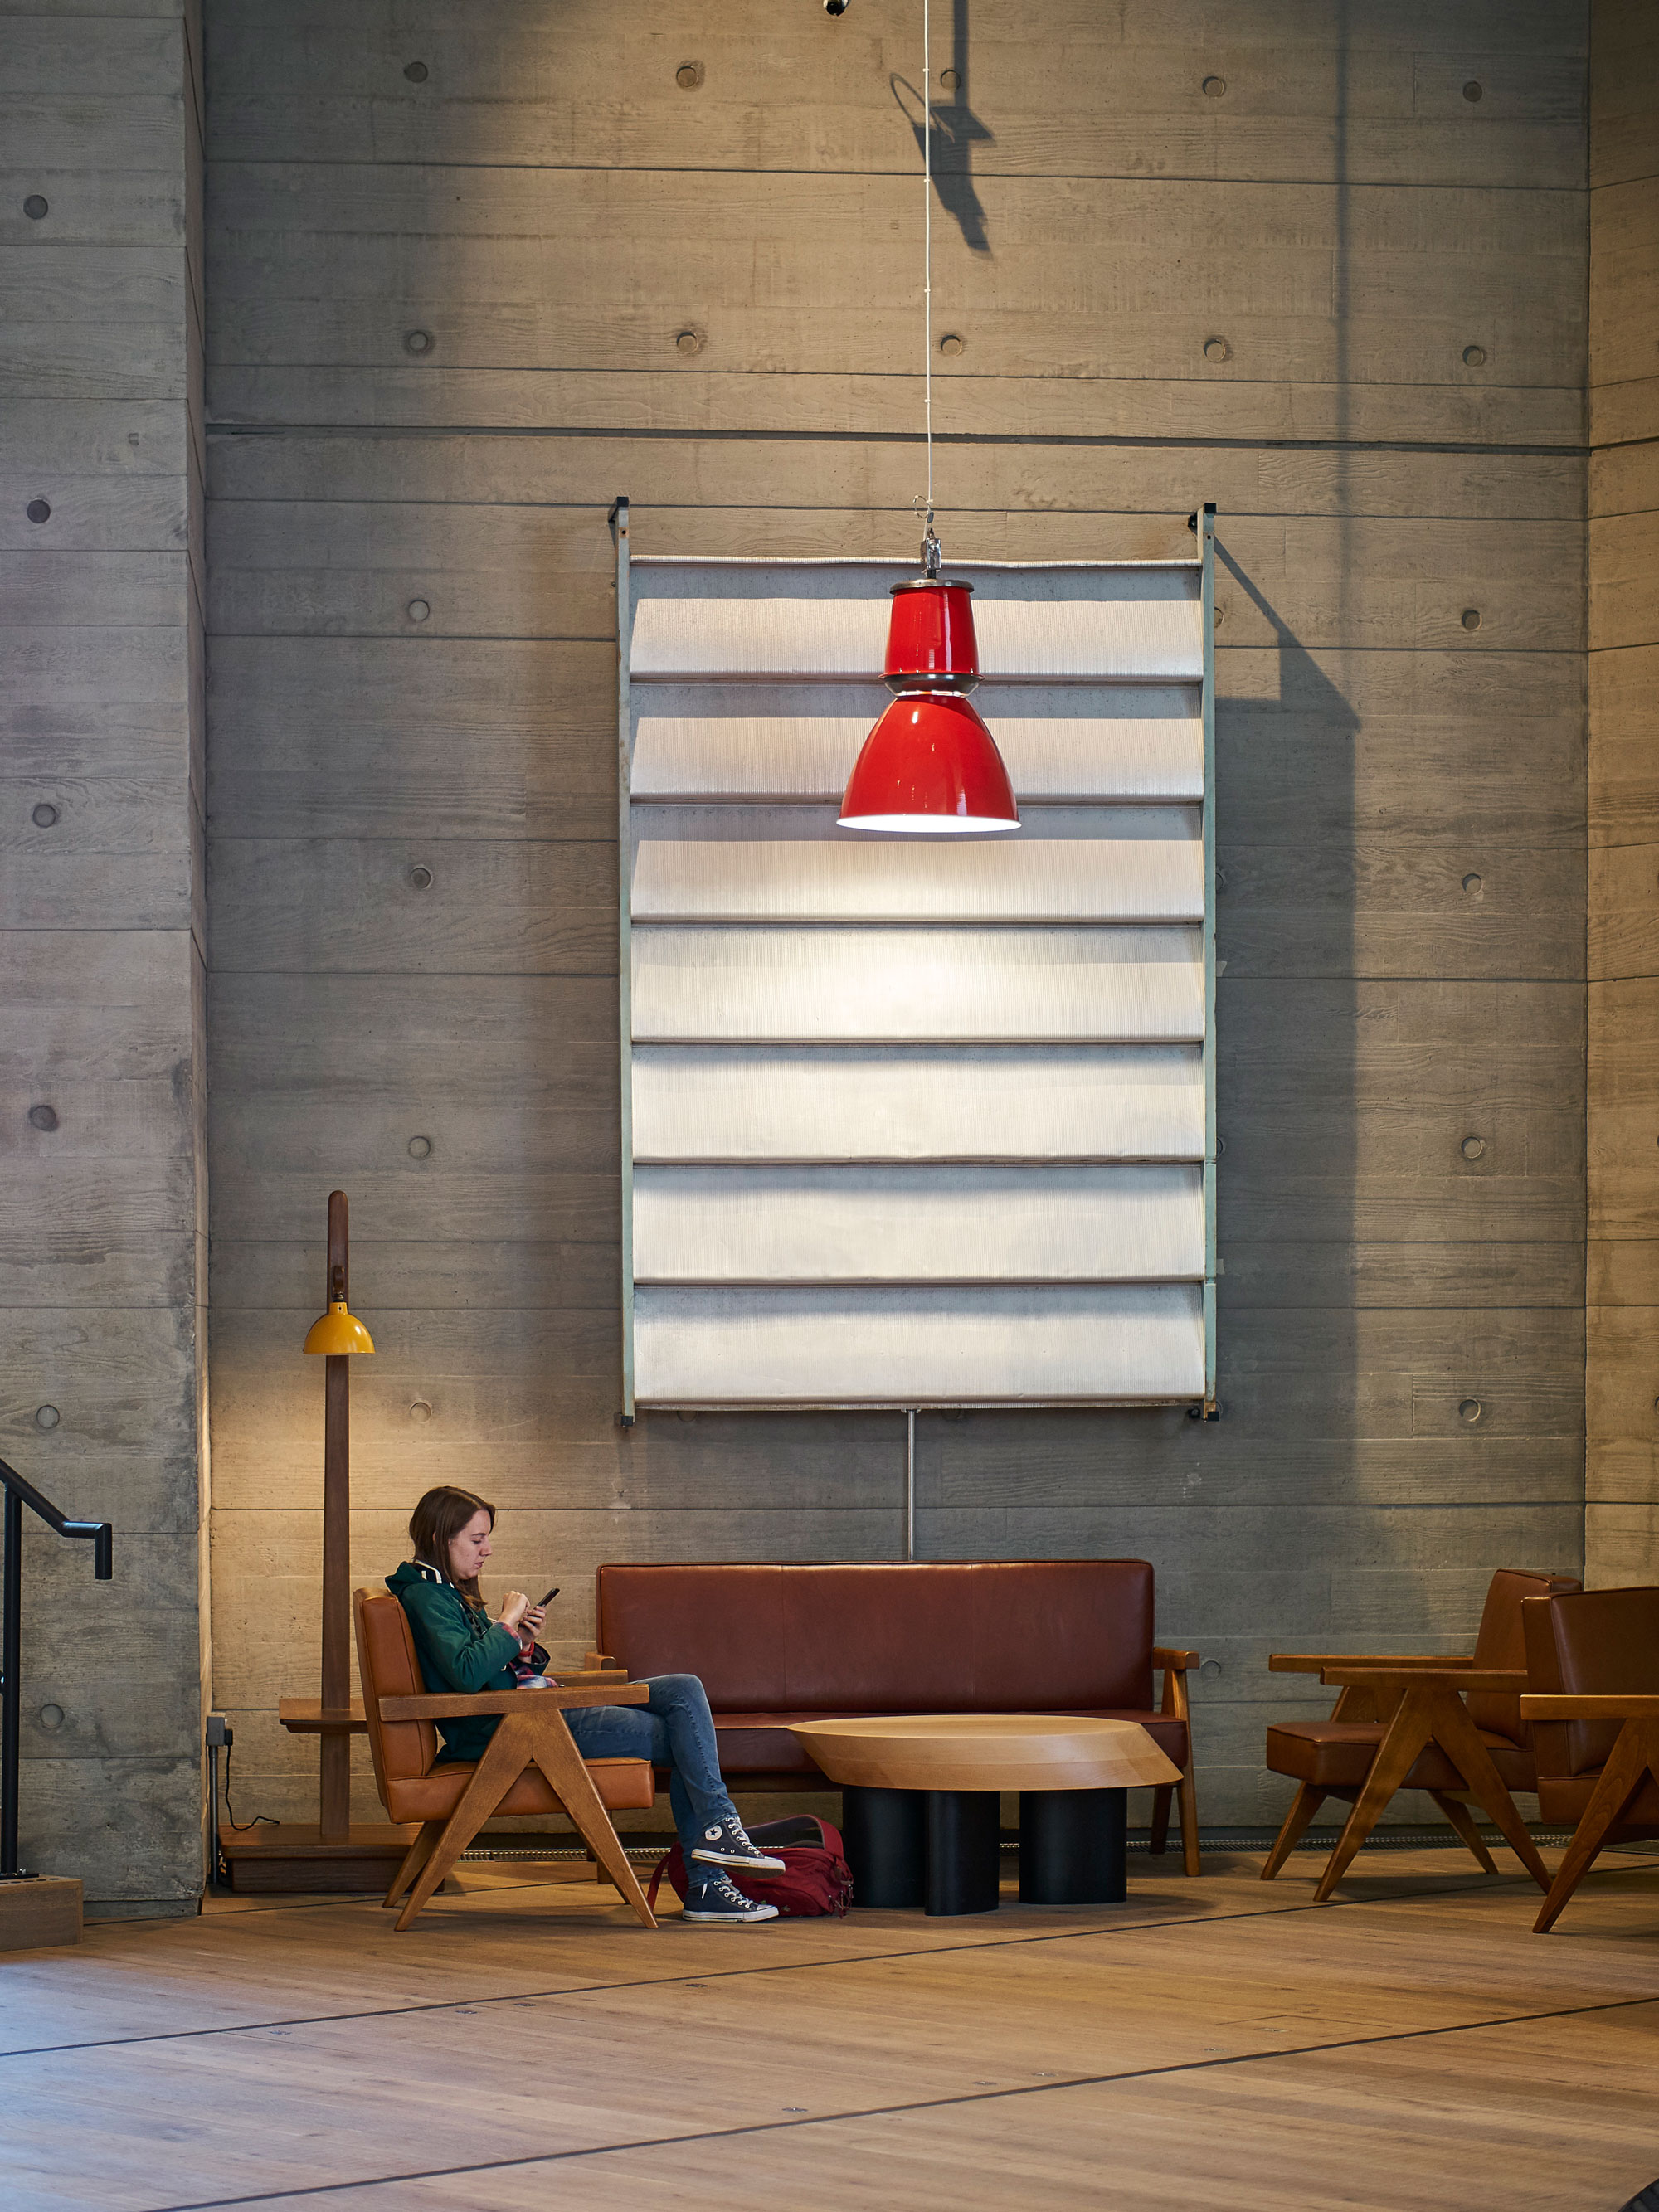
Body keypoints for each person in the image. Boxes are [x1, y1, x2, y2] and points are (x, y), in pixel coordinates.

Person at [387, 1485, 783, 1924]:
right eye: (477, 1539)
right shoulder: (427, 1596)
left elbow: (478, 1668)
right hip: (518, 1728)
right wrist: (506, 1622)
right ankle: (708, 1876)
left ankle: (718, 1832)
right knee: (685, 1735)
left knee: (683, 1688)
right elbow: (465, 1673)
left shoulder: (442, 1589)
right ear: (441, 1538)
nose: (488, 1550)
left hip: (529, 1712)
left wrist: (521, 1642)